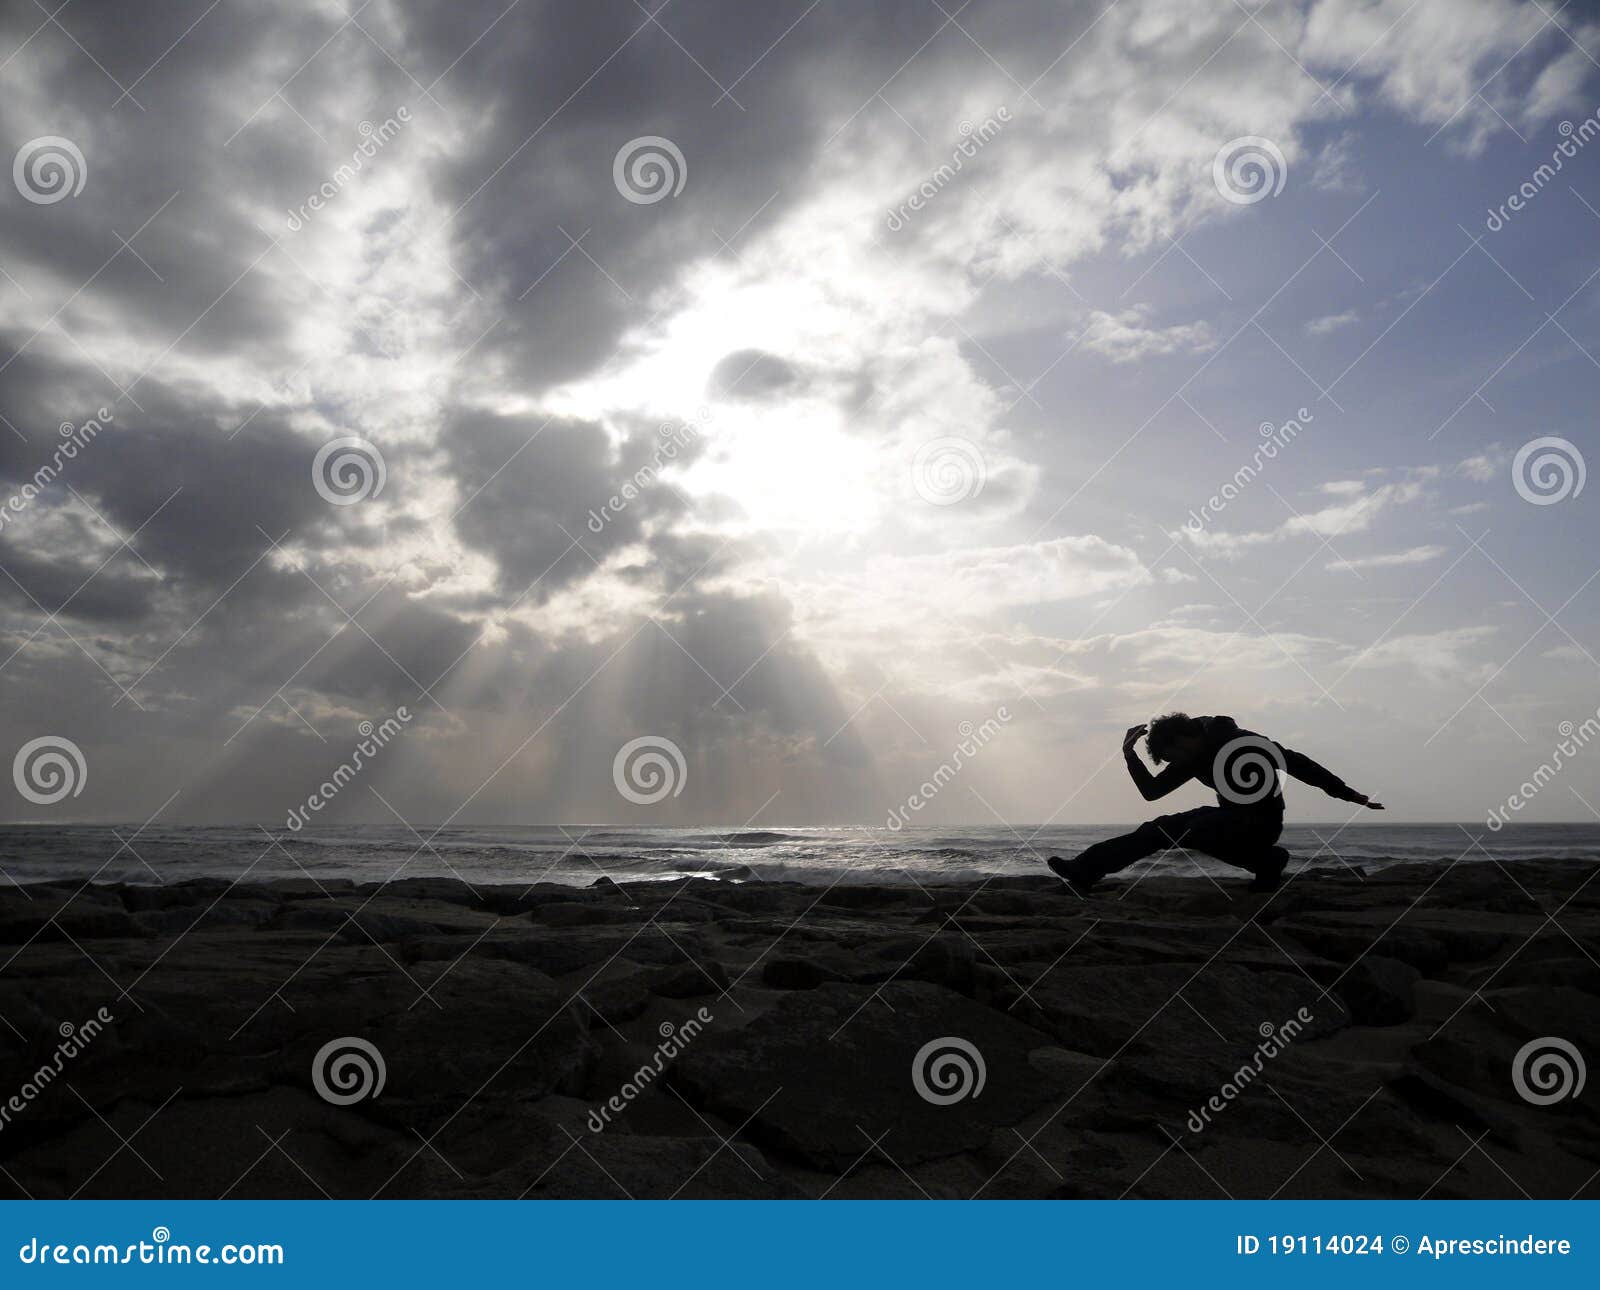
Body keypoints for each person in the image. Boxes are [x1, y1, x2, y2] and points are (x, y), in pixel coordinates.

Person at [1048, 712, 1382, 894]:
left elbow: (1297, 763)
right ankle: (1084, 871)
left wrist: (1347, 794)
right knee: (1160, 828)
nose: (1173, 763)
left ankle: (1265, 859)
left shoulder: (1238, 742)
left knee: (1197, 825)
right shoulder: (1193, 757)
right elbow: (1151, 792)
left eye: (1171, 756)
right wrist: (1128, 754)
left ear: (1184, 739)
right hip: (1228, 821)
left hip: (1260, 824)